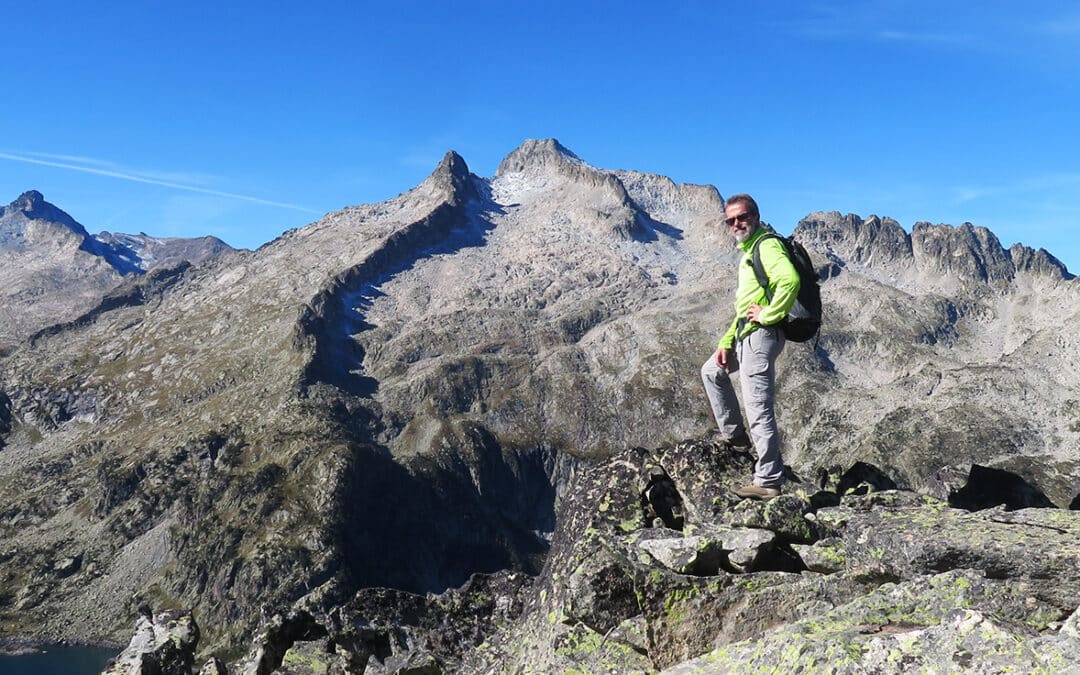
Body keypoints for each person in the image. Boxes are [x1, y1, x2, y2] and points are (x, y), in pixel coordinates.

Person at [701, 194, 800, 499]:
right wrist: (726, 341)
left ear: (755, 217)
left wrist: (769, 314)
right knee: (711, 372)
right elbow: (745, 307)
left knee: (758, 408)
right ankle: (735, 437)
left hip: (761, 337)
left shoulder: (766, 245)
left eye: (741, 218)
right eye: (730, 220)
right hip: (746, 335)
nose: (736, 224)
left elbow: (790, 280)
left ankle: (768, 480)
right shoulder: (749, 250)